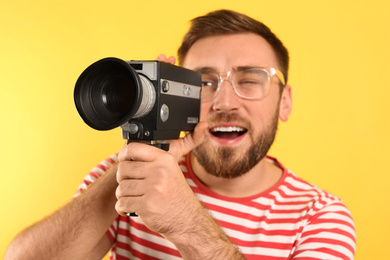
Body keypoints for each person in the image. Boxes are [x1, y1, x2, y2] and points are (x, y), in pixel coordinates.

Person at [5, 9, 356, 260]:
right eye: (204, 83)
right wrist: (136, 162)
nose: (224, 102)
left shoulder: (321, 216)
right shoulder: (124, 173)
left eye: (250, 80)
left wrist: (185, 222)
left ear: (285, 102)